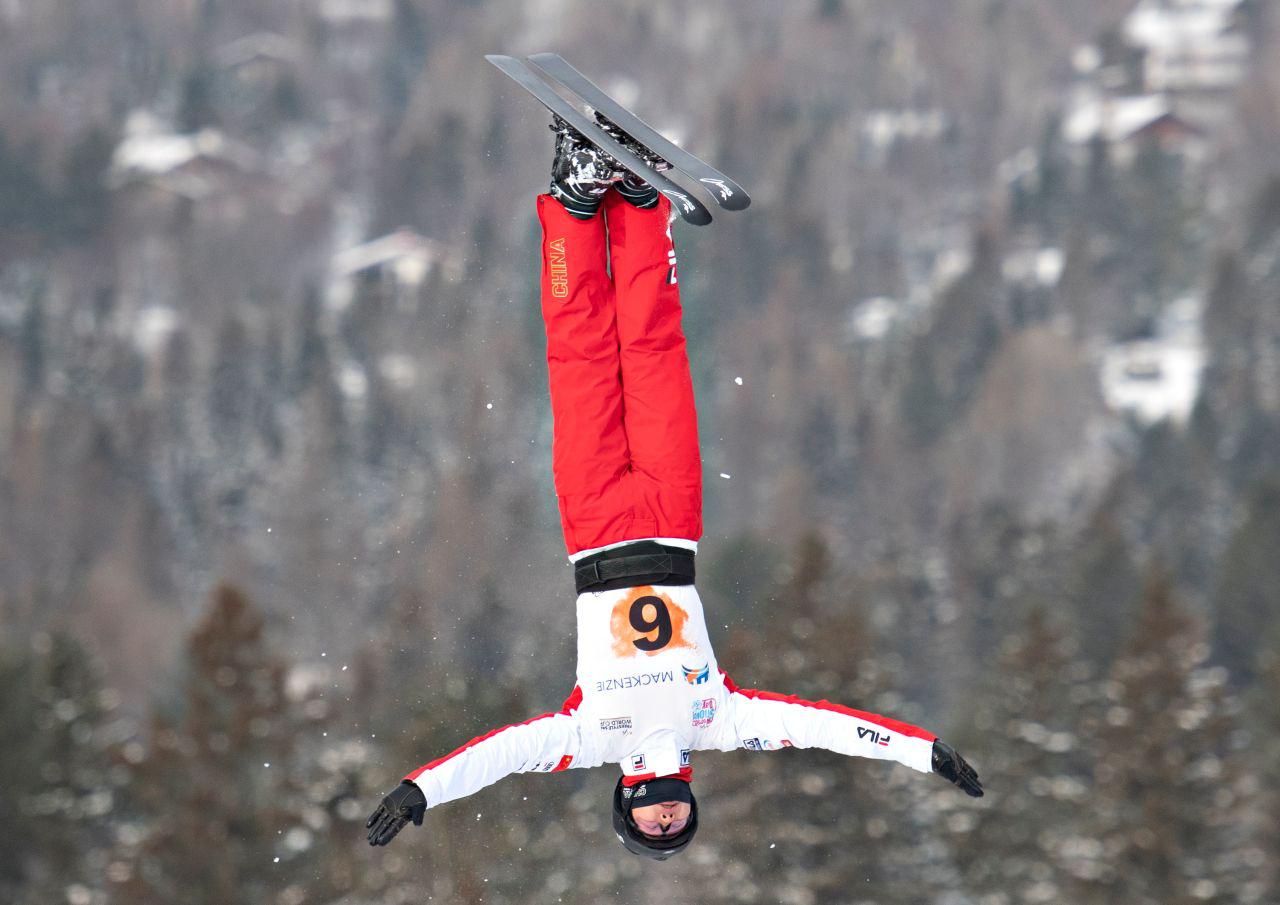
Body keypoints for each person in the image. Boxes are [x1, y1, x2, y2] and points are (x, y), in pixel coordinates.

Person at [365, 117, 983, 861]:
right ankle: (635, 204)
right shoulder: (717, 720)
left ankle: (572, 205)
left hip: (594, 530)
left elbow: (499, 754)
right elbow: (823, 725)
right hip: (670, 523)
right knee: (654, 350)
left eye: (652, 828)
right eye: (678, 827)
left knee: (583, 357)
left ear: (627, 804)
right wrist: (922, 751)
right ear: (689, 804)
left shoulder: (588, 736)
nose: (667, 822)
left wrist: (420, 788)